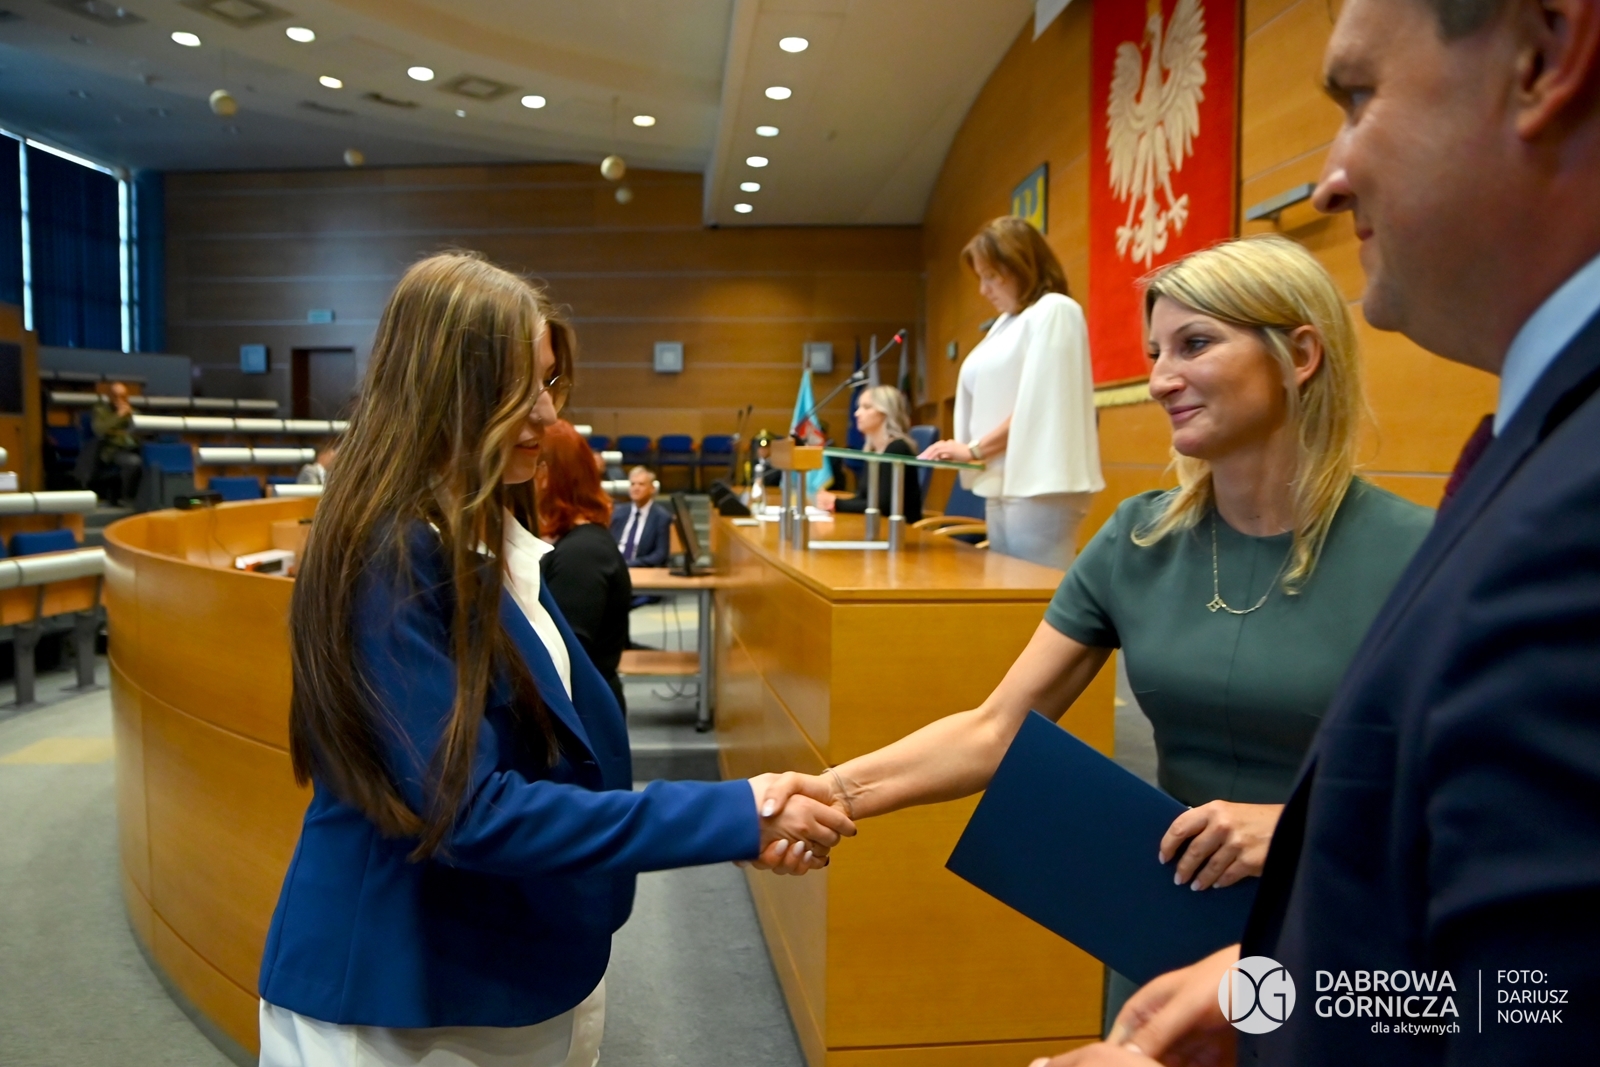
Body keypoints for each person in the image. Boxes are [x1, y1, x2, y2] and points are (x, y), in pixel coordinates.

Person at [1033, 0, 1600, 1063]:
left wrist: (1266, 997)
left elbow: (1543, 1007)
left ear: (1547, 52)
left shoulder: (1564, 504)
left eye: (1359, 97)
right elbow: (1489, 976)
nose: (1329, 180)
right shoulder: (1536, 443)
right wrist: (1259, 993)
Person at [756, 235, 1436, 1025]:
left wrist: (1295, 830)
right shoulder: (1138, 537)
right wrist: (829, 793)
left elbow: (1485, 799)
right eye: (1155, 353)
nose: (1160, 379)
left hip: (1344, 925)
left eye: (1195, 344)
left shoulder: (1420, 552)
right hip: (1171, 925)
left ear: (1302, 354)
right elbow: (993, 729)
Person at [258, 252, 852, 1067]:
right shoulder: (388, 551)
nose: (549, 415)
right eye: (520, 388)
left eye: (549, 384)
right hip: (399, 995)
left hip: (508, 968)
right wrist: (734, 814)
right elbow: (470, 810)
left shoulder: (496, 537)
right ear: (448, 388)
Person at [920, 216, 1104, 569]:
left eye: (991, 276)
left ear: (1021, 265)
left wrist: (974, 449)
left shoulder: (1055, 310)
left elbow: (1042, 407)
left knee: (1033, 592)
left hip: (1041, 483)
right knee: (1004, 589)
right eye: (981, 277)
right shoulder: (1006, 323)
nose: (983, 289)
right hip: (1000, 476)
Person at [536, 420, 632, 713]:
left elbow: (561, 660)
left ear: (545, 475)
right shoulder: (573, 542)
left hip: (585, 714)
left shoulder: (582, 554)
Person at [815, 385, 924, 524]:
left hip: (900, 531)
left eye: (866, 407)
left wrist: (836, 503)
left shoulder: (897, 448)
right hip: (879, 526)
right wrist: (833, 501)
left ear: (885, 412)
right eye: (859, 407)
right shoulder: (873, 450)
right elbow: (863, 498)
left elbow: (883, 506)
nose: (857, 414)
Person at [88, 381, 141, 504]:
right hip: (113, 450)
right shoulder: (101, 411)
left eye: (123, 396)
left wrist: (131, 415)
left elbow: (142, 428)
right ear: (110, 396)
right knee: (134, 463)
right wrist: (118, 415)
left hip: (134, 447)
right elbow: (99, 430)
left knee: (153, 460)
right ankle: (126, 498)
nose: (119, 400)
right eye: (116, 396)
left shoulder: (132, 411)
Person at [609, 466, 671, 567]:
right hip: (614, 567)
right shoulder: (618, 512)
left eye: (641, 484)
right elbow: (608, 544)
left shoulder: (661, 517)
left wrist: (631, 564)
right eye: (632, 484)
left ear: (652, 489)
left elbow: (660, 554)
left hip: (640, 568)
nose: (636, 488)